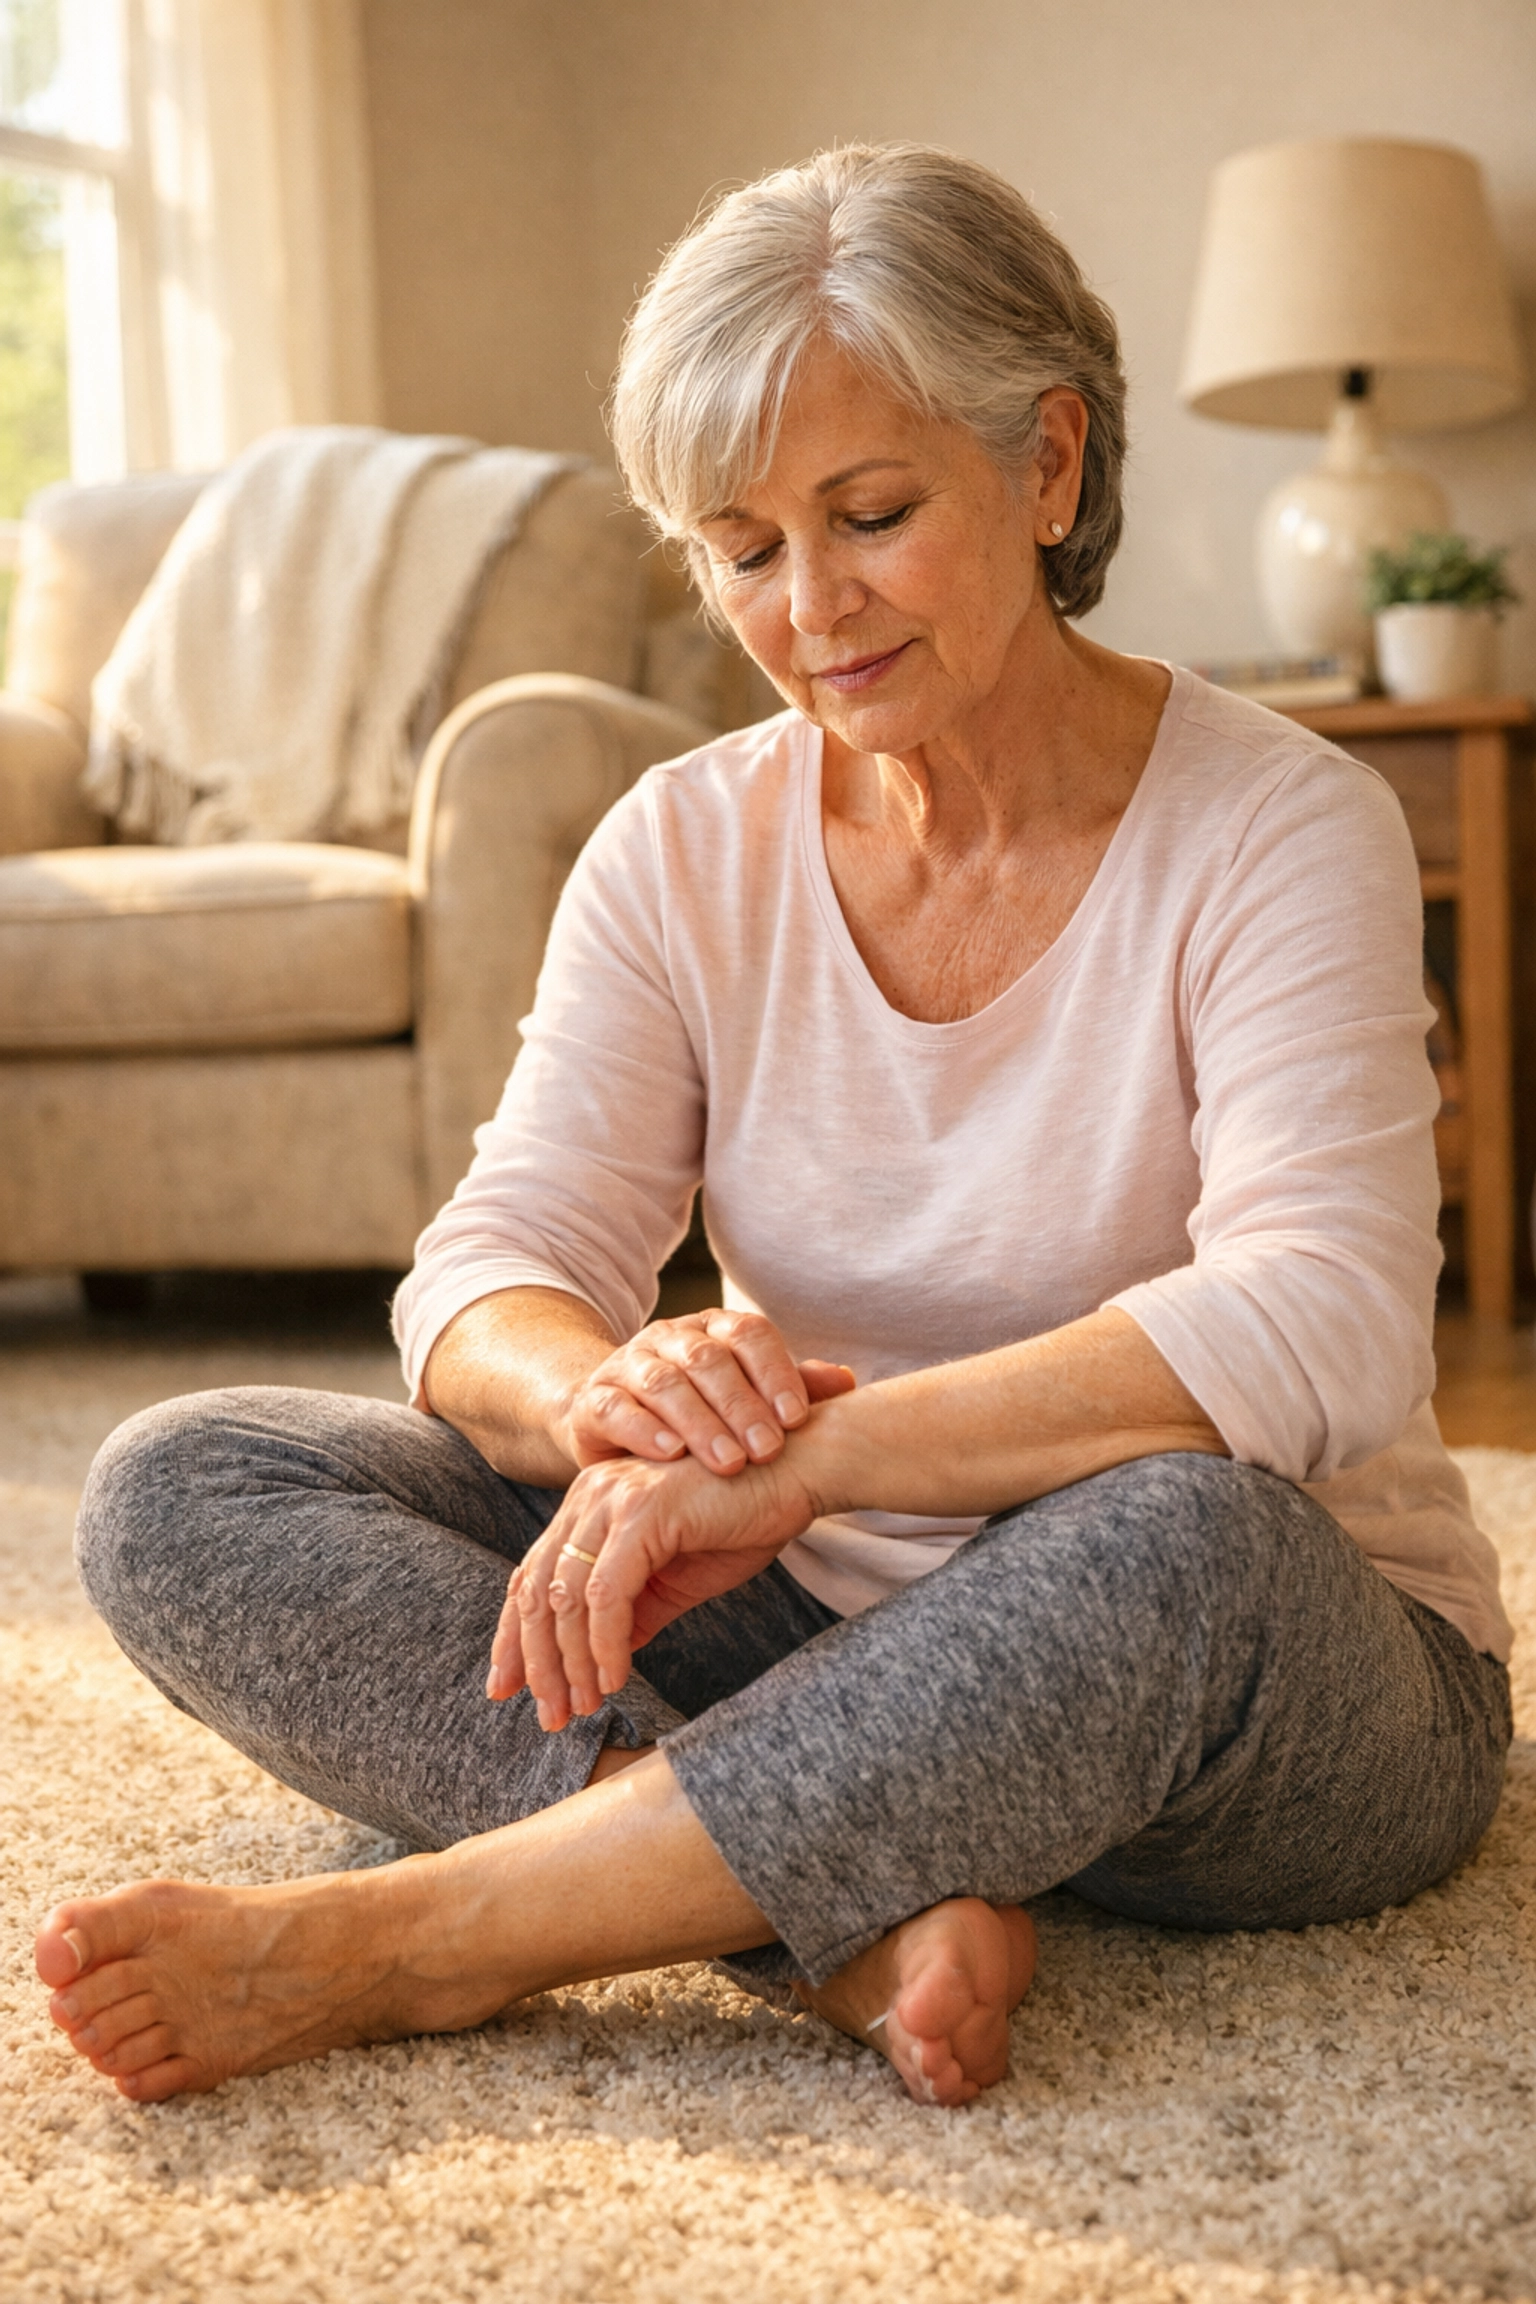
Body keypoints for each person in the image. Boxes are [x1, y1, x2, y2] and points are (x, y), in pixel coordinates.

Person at [37, 143, 1511, 2113]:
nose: (808, 610)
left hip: (1251, 1693)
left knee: (1186, 1532)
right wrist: (613, 1408)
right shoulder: (682, 846)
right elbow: (488, 1274)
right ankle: (830, 1925)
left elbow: (1328, 1327)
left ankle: (436, 1934)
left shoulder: (1280, 823)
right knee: (184, 1480)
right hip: (809, 1639)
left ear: (1049, 467)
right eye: (741, 547)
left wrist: (806, 1462)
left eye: (870, 515)